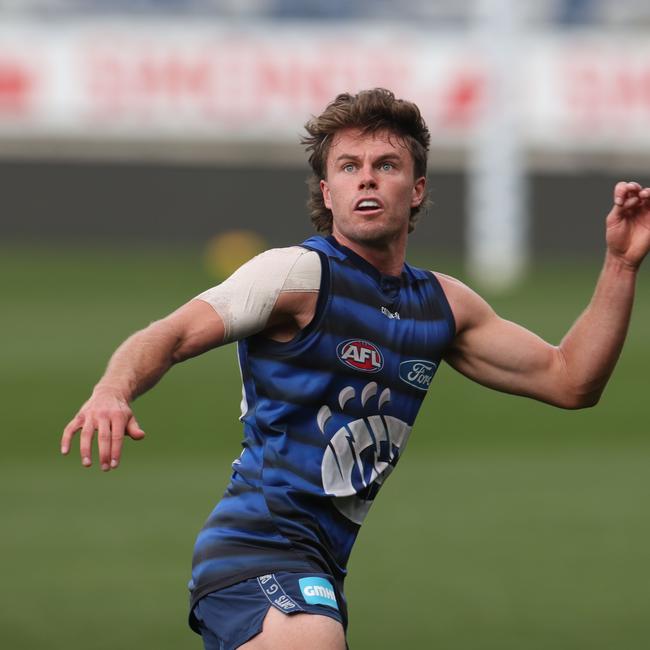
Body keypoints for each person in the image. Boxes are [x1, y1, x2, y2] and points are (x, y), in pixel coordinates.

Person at [61, 88, 650, 650]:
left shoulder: (442, 306)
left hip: (320, 566)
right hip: (256, 552)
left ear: (416, 189)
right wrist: (114, 389)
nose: (366, 176)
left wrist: (620, 265)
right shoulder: (294, 276)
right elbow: (171, 333)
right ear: (327, 189)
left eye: (386, 164)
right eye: (349, 166)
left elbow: (570, 379)